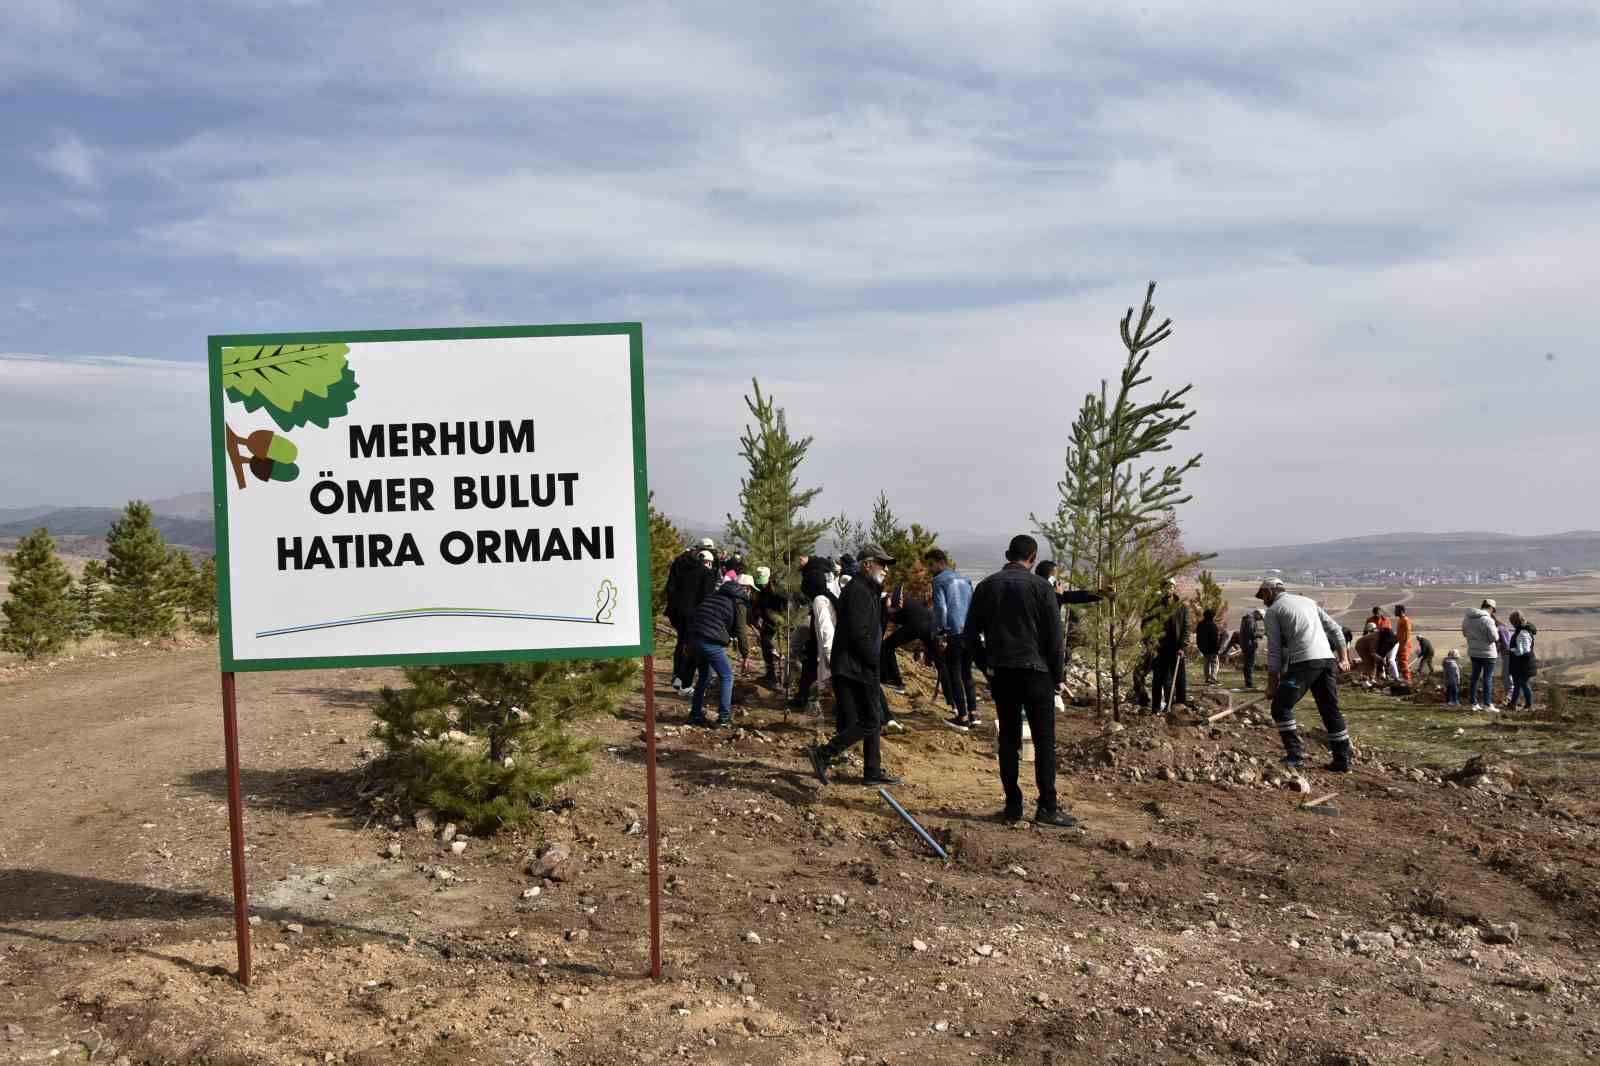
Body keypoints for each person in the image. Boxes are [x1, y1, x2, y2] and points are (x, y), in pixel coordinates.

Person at [963, 534, 1085, 828]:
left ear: (1008, 554)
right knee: (1044, 741)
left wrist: (987, 666)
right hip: (1037, 673)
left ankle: (1013, 805)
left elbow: (969, 636)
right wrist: (1057, 676)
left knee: (1008, 740)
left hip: (1003, 674)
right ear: (1032, 558)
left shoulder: (986, 586)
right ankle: (1047, 808)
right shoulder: (1042, 588)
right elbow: (1055, 640)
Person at [808, 544, 899, 787]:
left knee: (873, 718)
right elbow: (859, 633)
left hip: (858, 664)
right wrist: (872, 660)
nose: (886, 569)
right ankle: (824, 753)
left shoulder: (867, 589)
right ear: (868, 564)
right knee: (871, 719)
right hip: (856, 665)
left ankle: (872, 770)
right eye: (882, 563)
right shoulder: (858, 589)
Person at [1258, 578, 1354, 771]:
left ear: (1270, 591)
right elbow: (1335, 629)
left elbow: (1275, 650)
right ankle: (1342, 760)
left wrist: (1272, 684)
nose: (1263, 601)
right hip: (1327, 660)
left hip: (1305, 662)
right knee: (1329, 709)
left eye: (1263, 596)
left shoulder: (1273, 611)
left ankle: (1296, 755)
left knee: (1280, 707)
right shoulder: (1308, 602)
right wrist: (1344, 658)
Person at [686, 574, 752, 727]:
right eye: (750, 591)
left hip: (695, 636)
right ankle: (724, 718)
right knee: (727, 676)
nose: (750, 594)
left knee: (705, 675)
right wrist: (746, 655)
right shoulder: (739, 602)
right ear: (746, 589)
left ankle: (695, 714)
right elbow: (741, 630)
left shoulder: (716, 594)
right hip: (710, 640)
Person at [928, 549, 978, 731]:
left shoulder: (939, 581)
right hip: (969, 631)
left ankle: (962, 717)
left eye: (931, 565)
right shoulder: (964, 580)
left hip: (953, 632)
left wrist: (941, 633)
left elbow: (941, 609)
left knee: (954, 673)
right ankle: (973, 713)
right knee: (967, 673)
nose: (929, 569)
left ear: (940, 562)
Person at [664, 546, 718, 694]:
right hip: (692, 616)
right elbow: (707, 598)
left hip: (676, 613)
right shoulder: (705, 573)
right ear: (707, 562)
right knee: (692, 649)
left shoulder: (684, 570)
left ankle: (678, 678)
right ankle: (685, 684)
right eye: (710, 563)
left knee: (682, 643)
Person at [1151, 579, 1189, 713]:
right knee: (1158, 679)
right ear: (1162, 588)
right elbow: (1146, 626)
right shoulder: (1154, 607)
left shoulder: (1181, 607)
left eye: (1170, 586)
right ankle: (1156, 707)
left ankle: (1180, 707)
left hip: (1176, 648)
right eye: (1165, 586)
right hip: (1159, 648)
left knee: (1179, 679)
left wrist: (1183, 646)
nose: (1168, 589)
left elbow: (1185, 628)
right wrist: (1151, 643)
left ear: (1174, 588)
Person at [1461, 598, 1500, 711]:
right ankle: (1487, 704)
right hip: (1488, 653)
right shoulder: (1488, 620)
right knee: (1487, 678)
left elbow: (1464, 633)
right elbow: (1494, 638)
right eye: (1493, 610)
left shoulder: (1468, 618)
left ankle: (1473, 703)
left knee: (1475, 677)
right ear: (1491, 608)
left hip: (1474, 652)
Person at [752, 565, 786, 687]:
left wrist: (782, 622)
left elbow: (785, 609)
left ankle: (785, 678)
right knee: (766, 648)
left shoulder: (778, 592)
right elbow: (757, 606)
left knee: (775, 649)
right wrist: (755, 617)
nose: (762, 585)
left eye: (763, 582)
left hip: (778, 624)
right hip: (766, 623)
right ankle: (770, 674)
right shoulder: (760, 590)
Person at [1507, 611, 1537, 711]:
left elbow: (1523, 651)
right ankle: (1513, 704)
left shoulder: (1523, 633)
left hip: (1524, 664)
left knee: (1523, 684)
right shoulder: (1522, 631)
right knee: (1519, 684)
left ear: (1516, 622)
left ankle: (1528, 705)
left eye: (1512, 622)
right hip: (1521, 664)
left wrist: (1510, 650)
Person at [1195, 607, 1222, 685]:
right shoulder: (1212, 625)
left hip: (1203, 647)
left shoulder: (1200, 624)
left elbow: (1198, 636)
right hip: (1212, 648)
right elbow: (1215, 638)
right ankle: (1213, 678)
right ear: (1212, 616)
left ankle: (1207, 678)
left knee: (1206, 663)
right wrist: (1217, 648)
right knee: (1214, 663)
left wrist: (1199, 646)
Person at [1237, 608, 1262, 689]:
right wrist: (1259, 635)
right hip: (1249, 646)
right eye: (1260, 617)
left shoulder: (1246, 619)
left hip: (1245, 644)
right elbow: (1250, 632)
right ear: (1257, 614)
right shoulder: (1250, 620)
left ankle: (1248, 683)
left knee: (1248, 665)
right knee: (1249, 665)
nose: (1260, 619)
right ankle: (1249, 684)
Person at [1496, 613, 1515, 705]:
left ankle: (1510, 696)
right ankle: (1510, 695)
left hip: (1508, 655)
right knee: (1506, 676)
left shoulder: (1500, 629)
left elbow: (1504, 643)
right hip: (1508, 655)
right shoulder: (1503, 628)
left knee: (1506, 676)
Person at [1394, 604, 1413, 684]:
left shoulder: (1405, 620)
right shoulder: (1401, 620)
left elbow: (1407, 634)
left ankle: (1407, 680)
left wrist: (1403, 646)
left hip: (1404, 645)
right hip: (1400, 644)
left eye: (1396, 610)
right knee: (1401, 663)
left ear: (1401, 611)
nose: (1394, 612)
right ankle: (1405, 679)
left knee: (1403, 662)